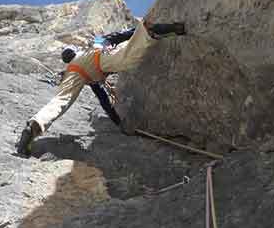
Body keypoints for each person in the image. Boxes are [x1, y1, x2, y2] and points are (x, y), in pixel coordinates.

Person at [16, 19, 186, 156]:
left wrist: (117, 121)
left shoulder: (73, 68)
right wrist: (137, 31)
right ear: (74, 51)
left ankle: (34, 126)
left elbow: (103, 98)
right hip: (96, 56)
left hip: (78, 72)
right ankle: (151, 32)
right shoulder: (92, 45)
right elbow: (117, 36)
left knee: (60, 101)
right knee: (126, 57)